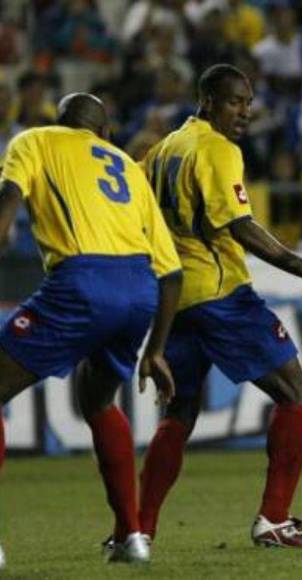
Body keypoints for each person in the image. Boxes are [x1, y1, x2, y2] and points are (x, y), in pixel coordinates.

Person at [136, 64, 302, 549]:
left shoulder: (161, 151)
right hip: (220, 295)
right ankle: (274, 520)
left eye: (249, 103)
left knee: (180, 411)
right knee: (296, 393)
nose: (245, 112)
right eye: (236, 101)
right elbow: (240, 226)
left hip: (174, 297)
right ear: (208, 100)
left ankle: (140, 529)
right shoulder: (217, 149)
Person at [0, 93, 182, 565]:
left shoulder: (35, 140)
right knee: (98, 399)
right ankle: (132, 536)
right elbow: (172, 272)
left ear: (61, 121)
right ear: (104, 132)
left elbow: (5, 214)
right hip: (141, 292)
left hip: (82, 281)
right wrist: (157, 350)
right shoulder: (125, 165)